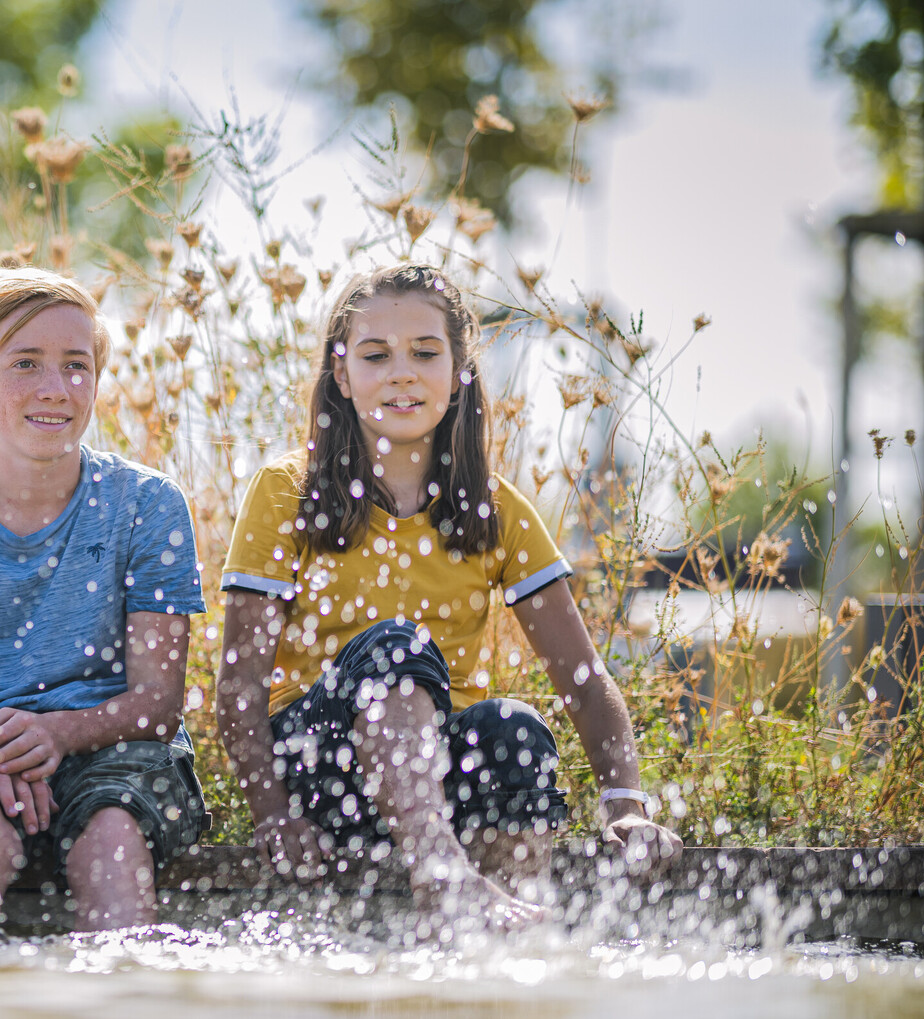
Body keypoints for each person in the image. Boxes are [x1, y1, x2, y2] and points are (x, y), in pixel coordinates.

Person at [214, 263, 681, 934]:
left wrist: (625, 804)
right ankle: (441, 875)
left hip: (438, 772)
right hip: (319, 772)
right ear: (341, 377)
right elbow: (238, 685)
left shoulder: (494, 510)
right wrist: (270, 813)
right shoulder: (286, 491)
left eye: (425, 353)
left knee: (514, 728)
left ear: (459, 368)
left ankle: (513, 936)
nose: (402, 372)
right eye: (375, 355)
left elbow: (583, 680)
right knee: (395, 645)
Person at [0, 267, 208, 944]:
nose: (55, 388)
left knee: (110, 839)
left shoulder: (146, 506)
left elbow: (155, 705)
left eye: (75, 366)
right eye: (25, 364)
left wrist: (53, 735)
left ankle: (121, 1007)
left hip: (119, 746)